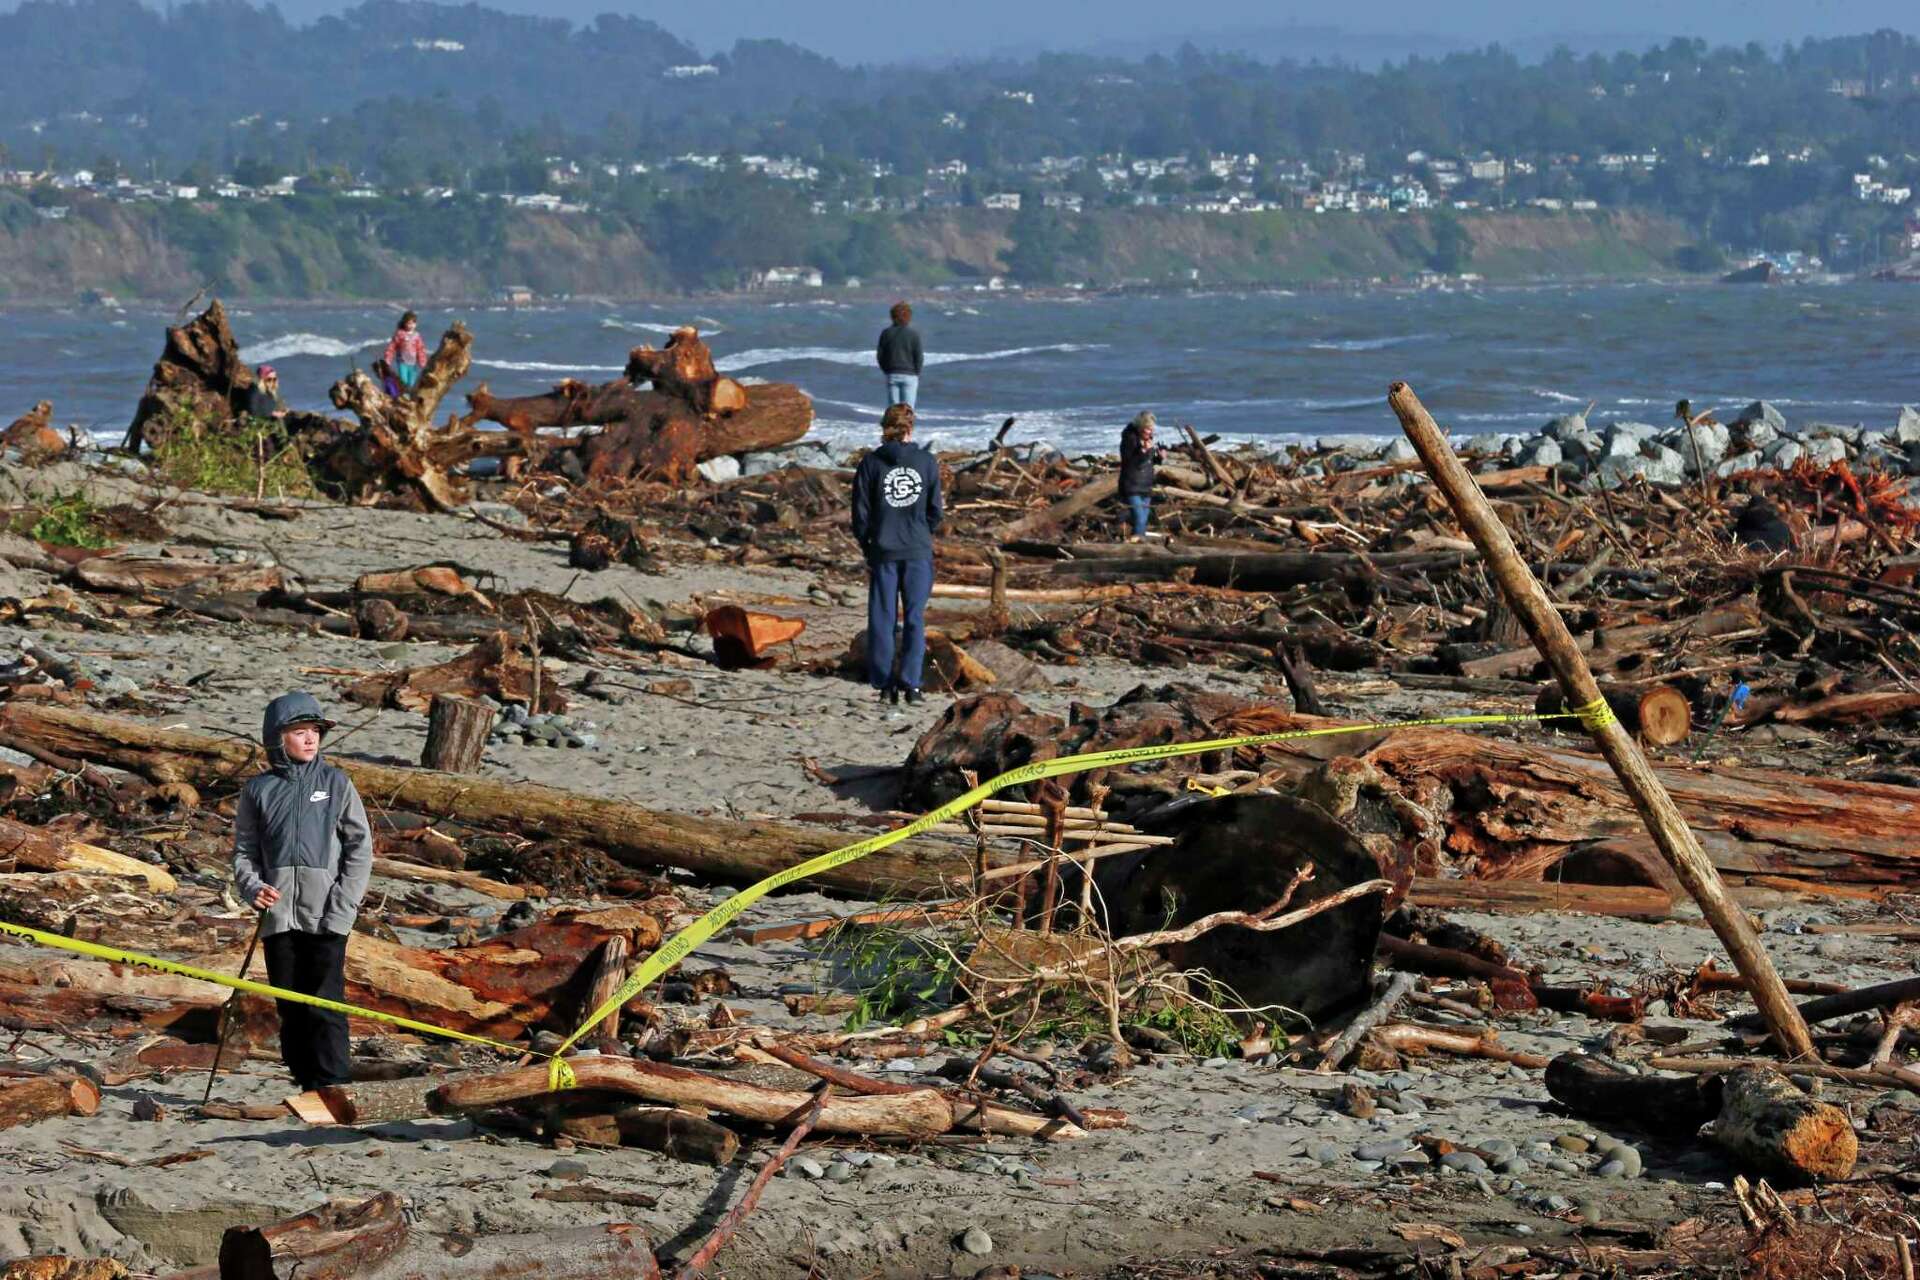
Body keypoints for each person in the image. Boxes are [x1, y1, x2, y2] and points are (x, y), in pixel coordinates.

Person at [231, 692, 373, 1093]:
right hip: (278, 916)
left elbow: (360, 849)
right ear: (278, 738)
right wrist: (252, 887)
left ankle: (334, 1086)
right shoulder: (258, 790)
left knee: (325, 1003)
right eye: (300, 732)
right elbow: (245, 850)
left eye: (315, 731)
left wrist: (342, 906)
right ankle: (306, 1084)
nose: (311, 739)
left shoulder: (336, 783)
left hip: (327, 914)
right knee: (289, 1005)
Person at [852, 404, 942, 705]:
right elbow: (935, 511)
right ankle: (912, 684)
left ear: (884, 427)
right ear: (910, 428)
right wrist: (921, 533)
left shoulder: (870, 464)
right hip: (917, 550)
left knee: (882, 618)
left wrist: (869, 544)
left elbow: (860, 515)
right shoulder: (926, 462)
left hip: (884, 550)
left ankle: (884, 682)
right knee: (915, 618)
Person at [1118, 411, 1164, 541]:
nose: (1150, 432)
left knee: (1143, 519)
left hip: (1146, 485)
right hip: (1132, 485)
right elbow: (1131, 463)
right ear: (1140, 427)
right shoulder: (1129, 439)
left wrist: (1159, 457)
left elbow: (1150, 461)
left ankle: (1138, 542)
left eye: (1151, 429)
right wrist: (1143, 451)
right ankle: (1138, 546)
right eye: (1147, 429)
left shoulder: (1147, 439)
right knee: (1140, 518)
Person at [875, 300, 923, 410]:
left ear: (892, 316)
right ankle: (905, 427)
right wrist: (917, 372)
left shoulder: (886, 333)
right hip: (910, 375)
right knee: (908, 411)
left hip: (892, 373)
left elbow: (880, 356)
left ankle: (893, 427)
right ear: (908, 316)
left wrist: (887, 370)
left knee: (894, 411)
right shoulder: (914, 334)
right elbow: (918, 357)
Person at [383, 310, 428, 393]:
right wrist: (388, 359)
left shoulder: (417, 336)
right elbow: (392, 347)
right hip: (402, 362)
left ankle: (409, 396)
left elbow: (420, 349)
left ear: (416, 324)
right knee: (403, 381)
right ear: (404, 323)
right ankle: (404, 395)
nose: (411, 325)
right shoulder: (400, 334)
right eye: (409, 323)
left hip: (413, 363)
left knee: (411, 382)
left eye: (413, 323)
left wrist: (423, 363)